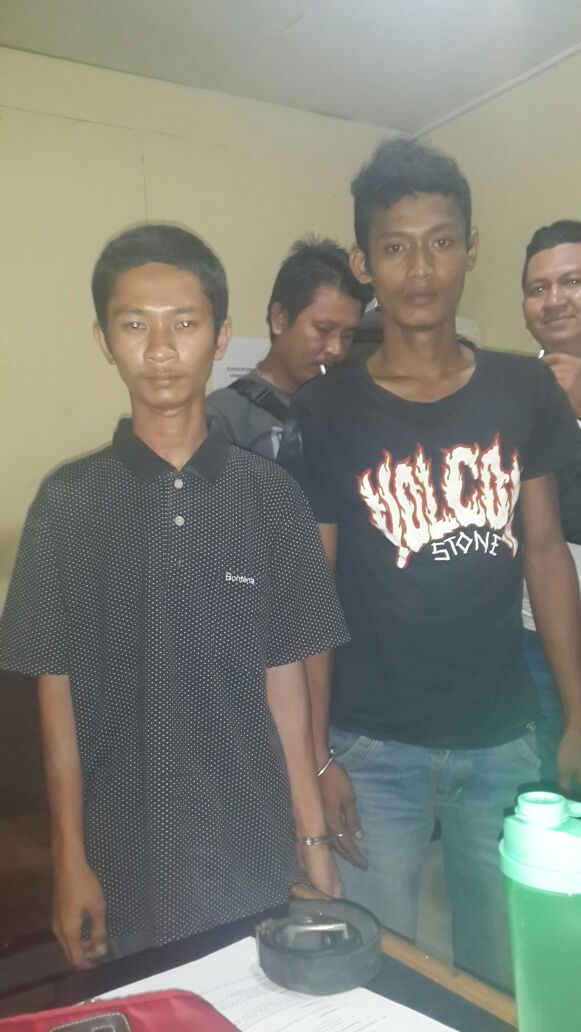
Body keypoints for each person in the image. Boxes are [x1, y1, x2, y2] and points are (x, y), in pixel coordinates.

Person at [0, 224, 347, 970]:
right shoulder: (67, 505)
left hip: (252, 840)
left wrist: (310, 832)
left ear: (221, 338)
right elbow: (55, 693)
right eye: (135, 326)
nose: (160, 350)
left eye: (184, 324)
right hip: (124, 850)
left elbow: (285, 678)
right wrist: (69, 858)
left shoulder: (271, 499)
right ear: (103, 340)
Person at [279, 139, 581, 989]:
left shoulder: (522, 390)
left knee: (509, 973)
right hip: (373, 748)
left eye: (441, 242)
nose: (420, 269)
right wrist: (318, 757)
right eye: (395, 246)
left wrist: (575, 710)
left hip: (502, 742)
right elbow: (312, 591)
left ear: (470, 248)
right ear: (363, 262)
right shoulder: (327, 407)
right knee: (378, 975)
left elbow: (545, 555)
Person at [206, 238, 370, 458]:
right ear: (280, 319)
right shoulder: (224, 418)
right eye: (323, 329)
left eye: (347, 335)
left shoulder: (350, 408)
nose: (336, 349)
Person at [521, 220, 581, 784]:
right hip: (532, 642)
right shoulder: (511, 395)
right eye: (538, 288)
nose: (554, 299)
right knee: (547, 803)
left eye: (572, 281)